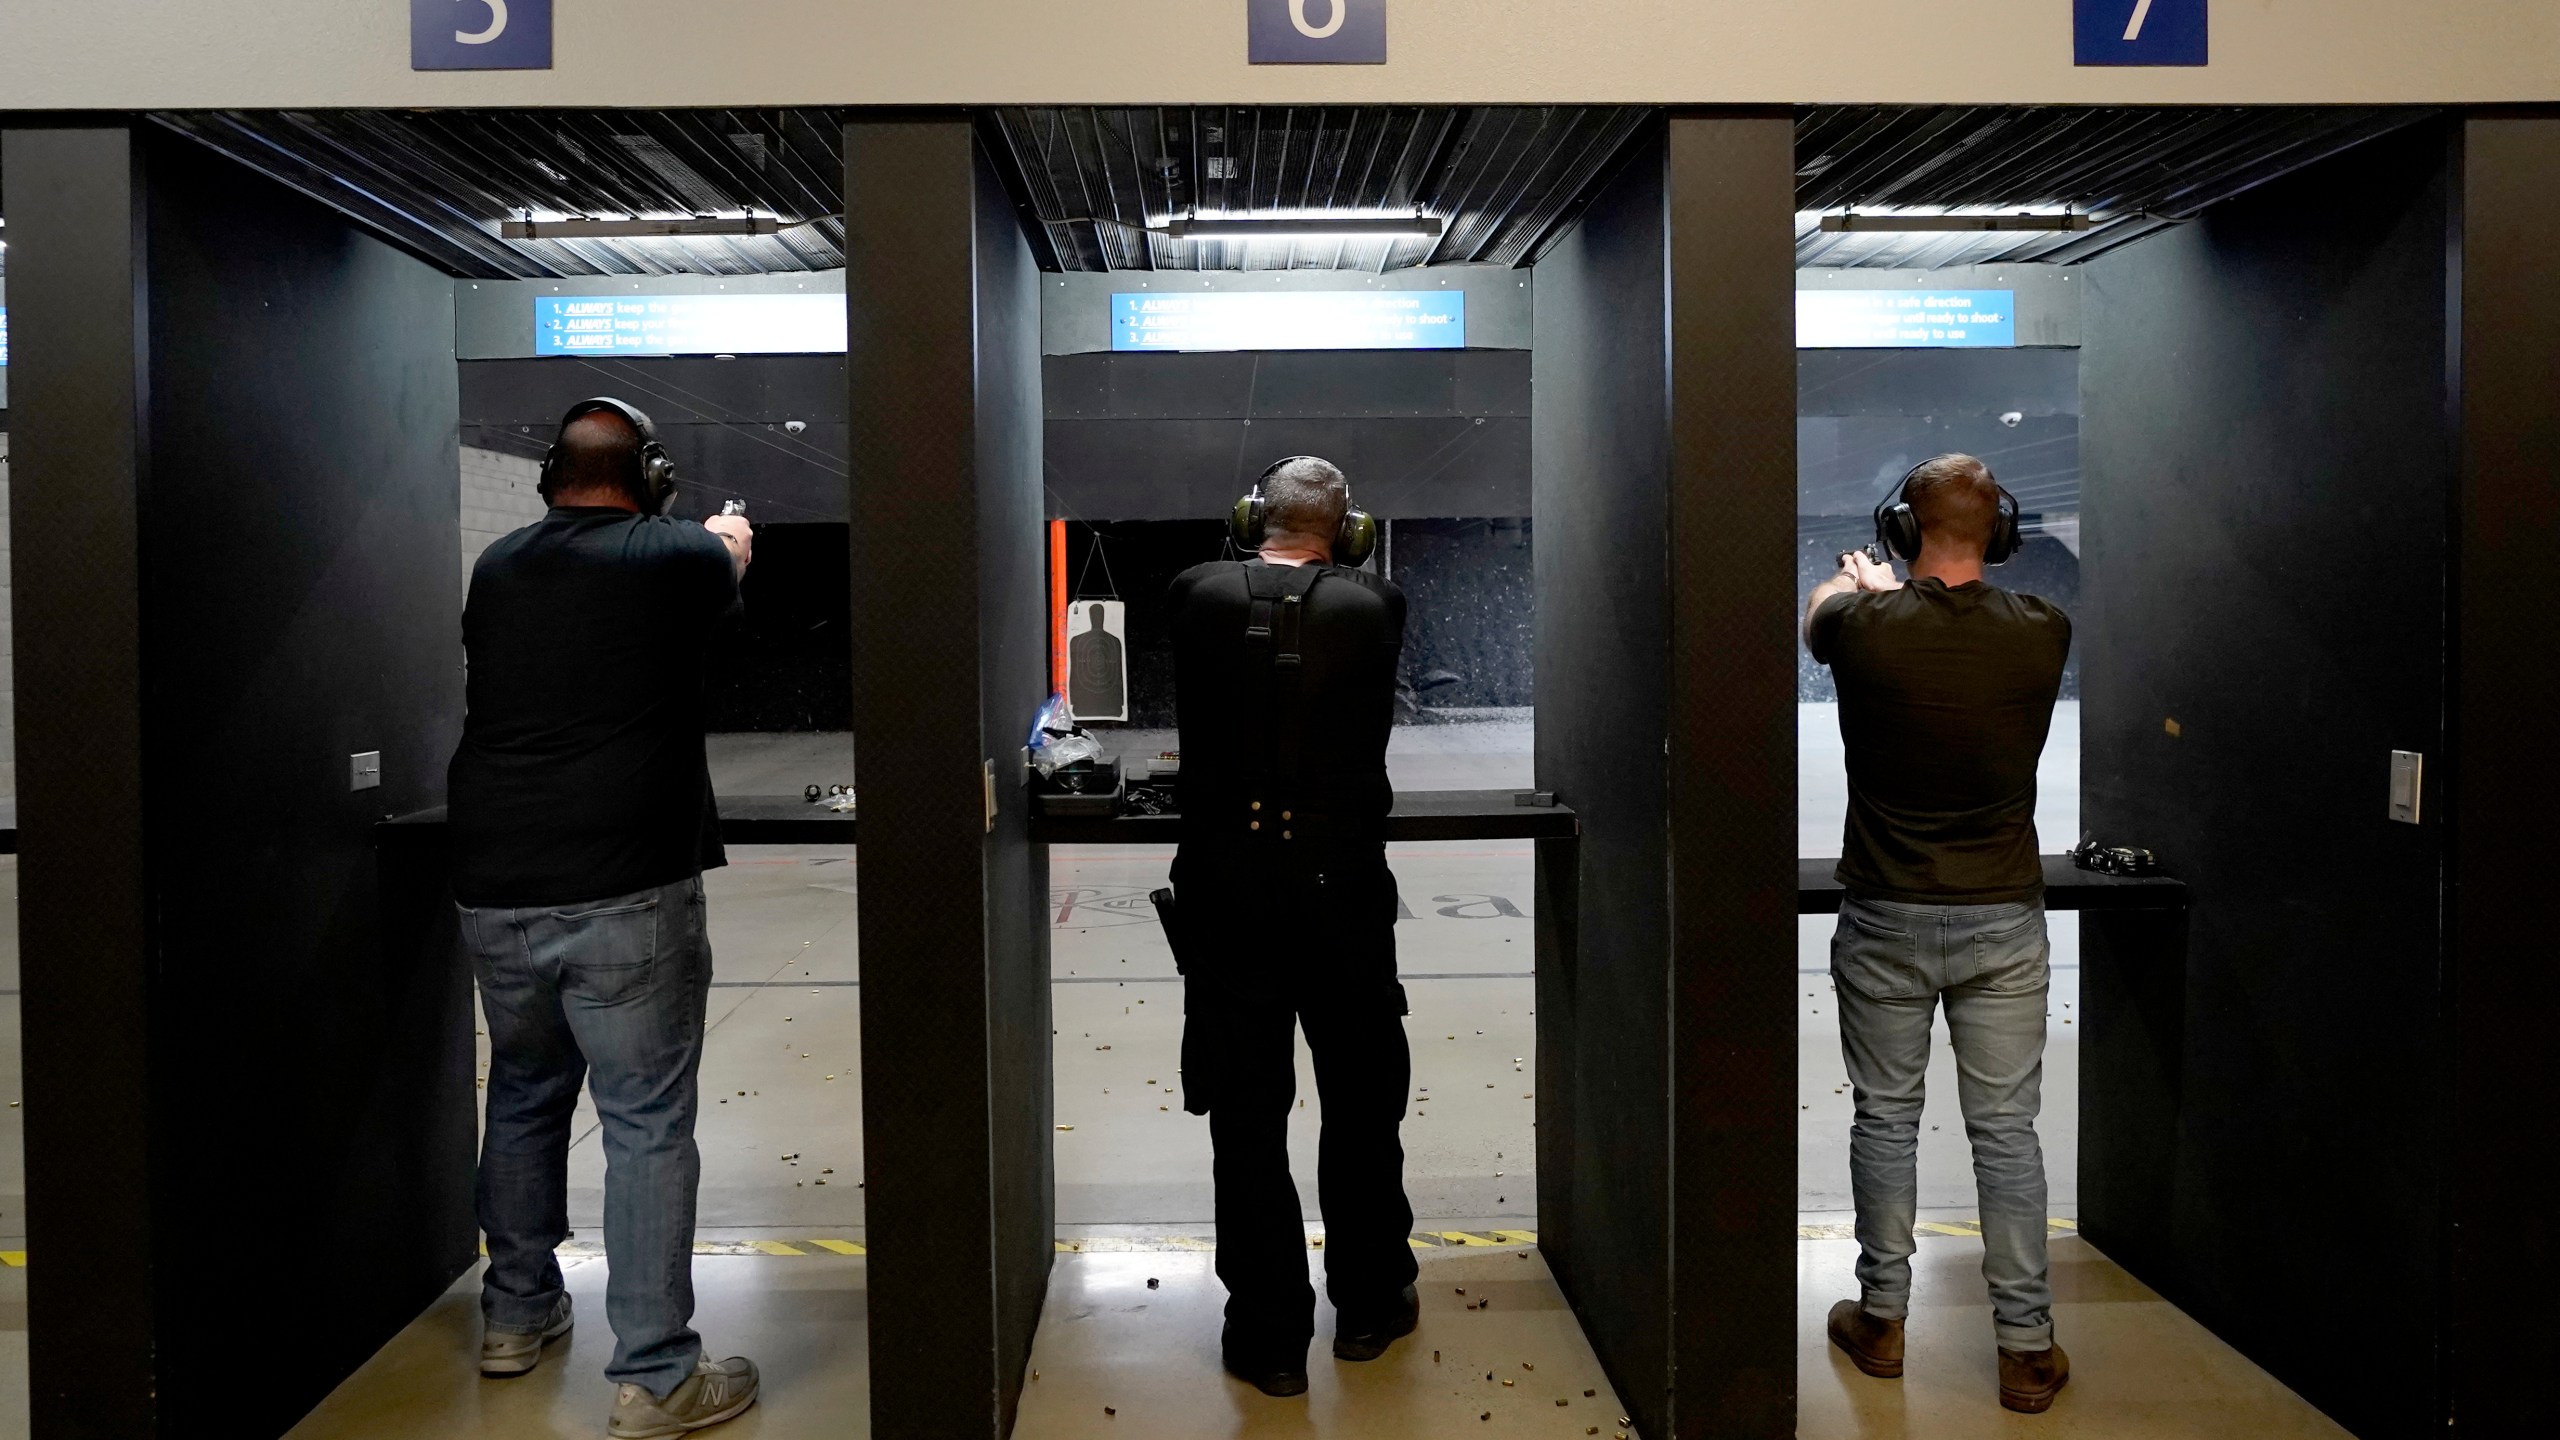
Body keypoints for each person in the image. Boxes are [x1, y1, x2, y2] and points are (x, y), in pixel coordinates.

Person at [446, 398, 763, 1437]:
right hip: (625, 880)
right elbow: (720, 570)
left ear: (550, 477)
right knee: (646, 1122)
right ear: (653, 476)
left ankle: (516, 1315)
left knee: (527, 1094)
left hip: (496, 880)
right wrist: (728, 541)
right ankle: (659, 1373)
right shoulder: (673, 555)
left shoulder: (498, 564)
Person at [1804, 453, 2075, 1415]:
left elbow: (1820, 615)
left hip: (1886, 912)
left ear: (1901, 532)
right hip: (2004, 915)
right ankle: (2027, 1347)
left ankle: (1881, 1317)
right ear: (2000, 532)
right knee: (2007, 1132)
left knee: (1886, 1117)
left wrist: (1867, 583)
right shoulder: (2045, 630)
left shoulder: (1861, 626)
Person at [1163, 456, 1417, 1397]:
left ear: (1245, 521)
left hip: (1228, 892)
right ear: (1349, 532)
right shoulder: (1375, 605)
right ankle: (1369, 1304)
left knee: (1246, 1115)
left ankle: (1268, 1336)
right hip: (1341, 893)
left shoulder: (1193, 595)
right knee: (1361, 1105)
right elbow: (1333, 603)